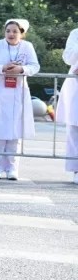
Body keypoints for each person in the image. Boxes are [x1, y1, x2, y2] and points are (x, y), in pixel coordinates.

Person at [0, 19, 40, 180]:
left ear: (22, 34)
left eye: (15, 31)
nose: (11, 34)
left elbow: (35, 66)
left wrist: (22, 69)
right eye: (8, 31)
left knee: (15, 132)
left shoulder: (28, 47)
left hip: (18, 92)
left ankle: (12, 168)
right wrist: (2, 68)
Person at [57, 27, 78, 184]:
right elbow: (68, 58)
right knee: (75, 128)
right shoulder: (75, 33)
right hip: (76, 85)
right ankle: (76, 169)